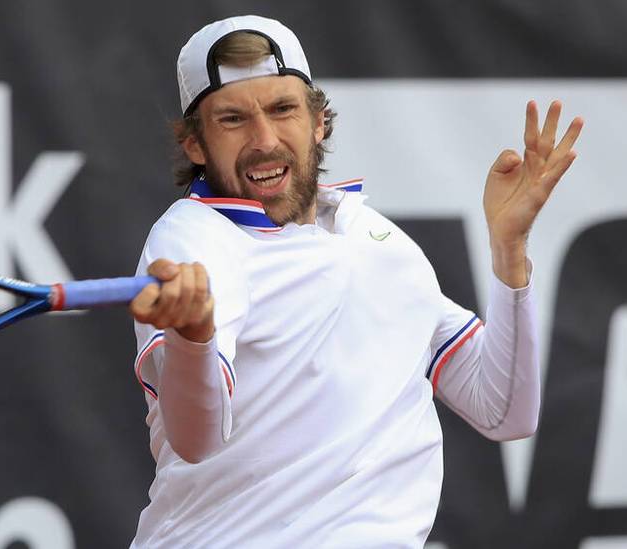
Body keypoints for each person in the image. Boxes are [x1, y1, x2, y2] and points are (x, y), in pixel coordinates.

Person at [126, 14, 583, 548]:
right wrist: (192, 338)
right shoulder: (191, 239)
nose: (264, 140)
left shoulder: (372, 235)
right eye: (233, 119)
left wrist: (510, 251)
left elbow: (504, 411)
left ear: (318, 121)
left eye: (282, 109)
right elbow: (195, 440)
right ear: (196, 145)